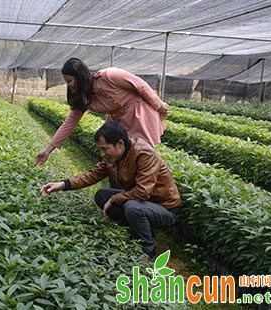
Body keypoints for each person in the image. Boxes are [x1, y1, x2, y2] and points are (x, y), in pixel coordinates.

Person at [40, 121, 181, 259]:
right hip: (142, 202)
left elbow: (142, 192)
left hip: (164, 208)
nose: (102, 154)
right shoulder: (114, 157)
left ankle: (147, 251)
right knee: (101, 196)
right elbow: (92, 175)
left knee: (133, 207)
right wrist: (63, 184)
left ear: (120, 143)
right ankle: (136, 228)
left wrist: (114, 199)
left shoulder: (144, 154)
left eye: (104, 148)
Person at [35, 58, 169, 166]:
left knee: (141, 152)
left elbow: (140, 86)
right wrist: (48, 150)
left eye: (69, 81)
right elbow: (69, 123)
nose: (69, 85)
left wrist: (158, 105)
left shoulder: (109, 76)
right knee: (115, 156)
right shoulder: (84, 97)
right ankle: (122, 193)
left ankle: (145, 190)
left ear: (80, 77)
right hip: (119, 121)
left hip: (139, 114)